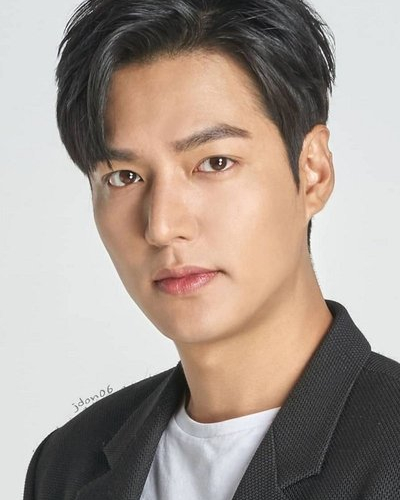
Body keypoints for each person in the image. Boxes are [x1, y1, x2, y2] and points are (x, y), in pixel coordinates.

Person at [23, 0, 400, 498]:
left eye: (215, 163)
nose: (162, 226)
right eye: (125, 176)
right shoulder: (66, 464)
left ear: (313, 171)